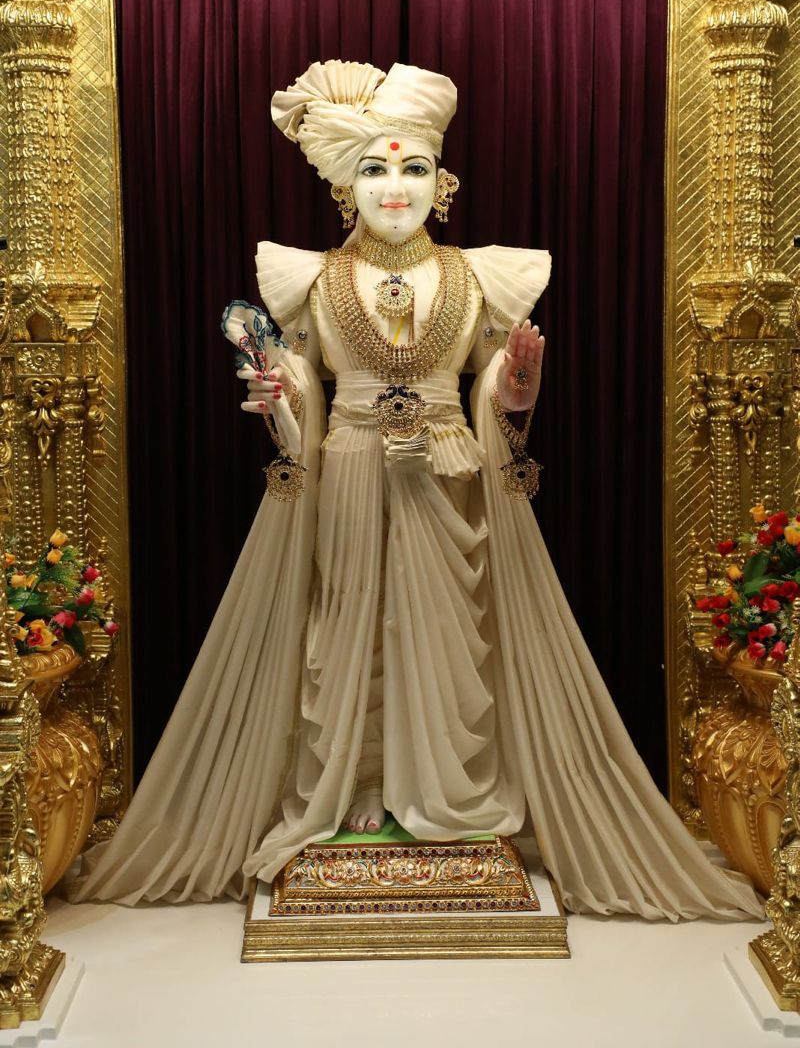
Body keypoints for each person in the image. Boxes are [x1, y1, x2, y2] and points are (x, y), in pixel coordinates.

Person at [70, 61, 762, 921]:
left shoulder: (478, 277)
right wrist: (277, 395)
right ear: (343, 188)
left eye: (412, 167)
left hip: (445, 470)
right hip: (354, 466)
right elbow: (298, 379)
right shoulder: (314, 280)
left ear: (443, 182)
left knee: (445, 625)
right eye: (373, 167)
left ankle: (448, 794)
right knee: (349, 623)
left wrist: (513, 391)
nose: (393, 186)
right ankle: (360, 782)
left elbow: (494, 393)